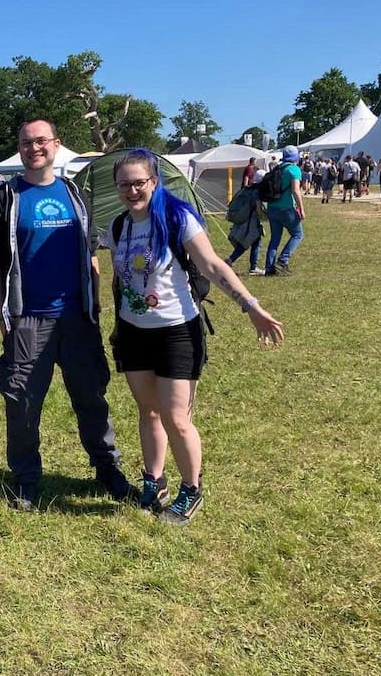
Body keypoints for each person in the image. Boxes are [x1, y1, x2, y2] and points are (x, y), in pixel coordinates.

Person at [105, 149, 283, 524]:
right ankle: (154, 480)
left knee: (175, 416)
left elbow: (212, 265)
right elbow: (120, 276)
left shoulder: (176, 217)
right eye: (125, 184)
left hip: (176, 331)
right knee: (148, 411)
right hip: (133, 332)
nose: (132, 190)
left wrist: (251, 307)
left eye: (140, 182)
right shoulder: (119, 226)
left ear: (154, 181)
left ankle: (191, 489)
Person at [0, 118, 133, 511]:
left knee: (91, 397)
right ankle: (26, 479)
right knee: (23, 403)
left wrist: (94, 303)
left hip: (77, 316)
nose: (34, 148)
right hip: (28, 319)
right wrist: (4, 314)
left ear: (56, 145)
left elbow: (90, 254)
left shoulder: (75, 193)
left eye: (41, 141)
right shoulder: (6, 198)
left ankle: (107, 468)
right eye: (27, 142)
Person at [264, 144, 305, 275]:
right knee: (298, 234)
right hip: (286, 208)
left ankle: (269, 268)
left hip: (272, 207)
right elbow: (295, 190)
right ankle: (283, 260)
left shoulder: (277, 168)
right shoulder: (294, 170)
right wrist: (301, 208)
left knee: (275, 238)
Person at [224, 178, 264, 276]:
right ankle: (232, 261)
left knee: (252, 242)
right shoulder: (256, 192)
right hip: (251, 221)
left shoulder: (246, 189)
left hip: (243, 219)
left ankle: (250, 265)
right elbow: (258, 209)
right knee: (247, 243)